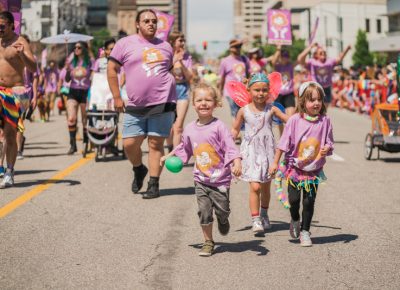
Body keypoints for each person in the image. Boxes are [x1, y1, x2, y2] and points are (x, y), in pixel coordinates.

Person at [161, 83, 242, 256]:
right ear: (193, 104)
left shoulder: (219, 126)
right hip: (201, 180)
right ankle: (208, 241)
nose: (203, 103)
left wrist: (236, 162)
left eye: (208, 100)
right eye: (199, 100)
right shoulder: (190, 128)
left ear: (216, 103)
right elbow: (184, 147)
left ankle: (223, 218)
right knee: (204, 212)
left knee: (223, 209)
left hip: (220, 179)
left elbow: (230, 147)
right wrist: (170, 156)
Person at [107, 9, 176, 199]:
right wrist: (116, 96)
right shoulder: (124, 44)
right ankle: (139, 169)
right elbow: (112, 69)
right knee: (129, 143)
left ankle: (154, 184)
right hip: (135, 104)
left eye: (154, 21)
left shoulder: (166, 46)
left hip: (163, 102)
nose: (151, 24)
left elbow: (167, 70)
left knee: (155, 144)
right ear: (137, 24)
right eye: (146, 21)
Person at [269, 81, 334, 247]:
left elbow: (329, 141)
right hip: (295, 169)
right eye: (312, 100)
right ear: (303, 102)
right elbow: (283, 143)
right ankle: (295, 219)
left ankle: (305, 231)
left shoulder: (325, 121)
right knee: (294, 200)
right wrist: (275, 163)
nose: (317, 103)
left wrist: (327, 148)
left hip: (313, 170)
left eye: (319, 99)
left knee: (309, 202)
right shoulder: (294, 121)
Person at [231, 73, 288, 234]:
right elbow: (235, 128)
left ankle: (264, 214)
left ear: (269, 91)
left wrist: (305, 119)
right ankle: (255, 219)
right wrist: (227, 143)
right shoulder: (244, 111)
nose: (261, 93)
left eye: (264, 90)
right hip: (251, 152)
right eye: (257, 90)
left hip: (268, 153)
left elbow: (288, 120)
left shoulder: (272, 109)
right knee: (255, 186)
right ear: (249, 90)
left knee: (265, 187)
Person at [0, 11, 37, 188]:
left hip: (14, 91)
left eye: (1, 26)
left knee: (9, 133)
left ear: (10, 25)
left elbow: (33, 67)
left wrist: (22, 54)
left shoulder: (20, 42)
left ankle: (9, 171)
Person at [65, 41, 94, 154]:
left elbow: (95, 75)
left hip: (85, 92)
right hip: (73, 92)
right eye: (75, 47)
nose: (76, 49)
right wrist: (67, 69)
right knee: (71, 118)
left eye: (79, 47)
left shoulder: (90, 62)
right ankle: (73, 145)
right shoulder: (71, 61)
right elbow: (67, 79)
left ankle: (86, 143)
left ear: (84, 49)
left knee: (84, 120)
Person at [166, 31, 193, 151]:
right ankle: (170, 146)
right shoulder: (167, 55)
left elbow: (189, 77)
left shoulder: (187, 57)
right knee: (168, 126)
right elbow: (163, 73)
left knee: (178, 126)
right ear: (172, 42)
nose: (183, 43)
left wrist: (181, 62)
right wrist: (174, 59)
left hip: (182, 90)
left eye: (183, 40)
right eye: (180, 40)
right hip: (168, 92)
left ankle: (175, 153)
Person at [219, 39, 250, 142]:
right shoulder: (225, 61)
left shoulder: (245, 59)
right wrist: (219, 92)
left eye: (239, 46)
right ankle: (237, 134)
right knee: (234, 113)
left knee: (244, 112)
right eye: (236, 46)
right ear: (231, 48)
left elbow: (248, 75)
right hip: (230, 91)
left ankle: (241, 132)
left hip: (243, 91)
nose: (238, 48)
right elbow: (222, 78)